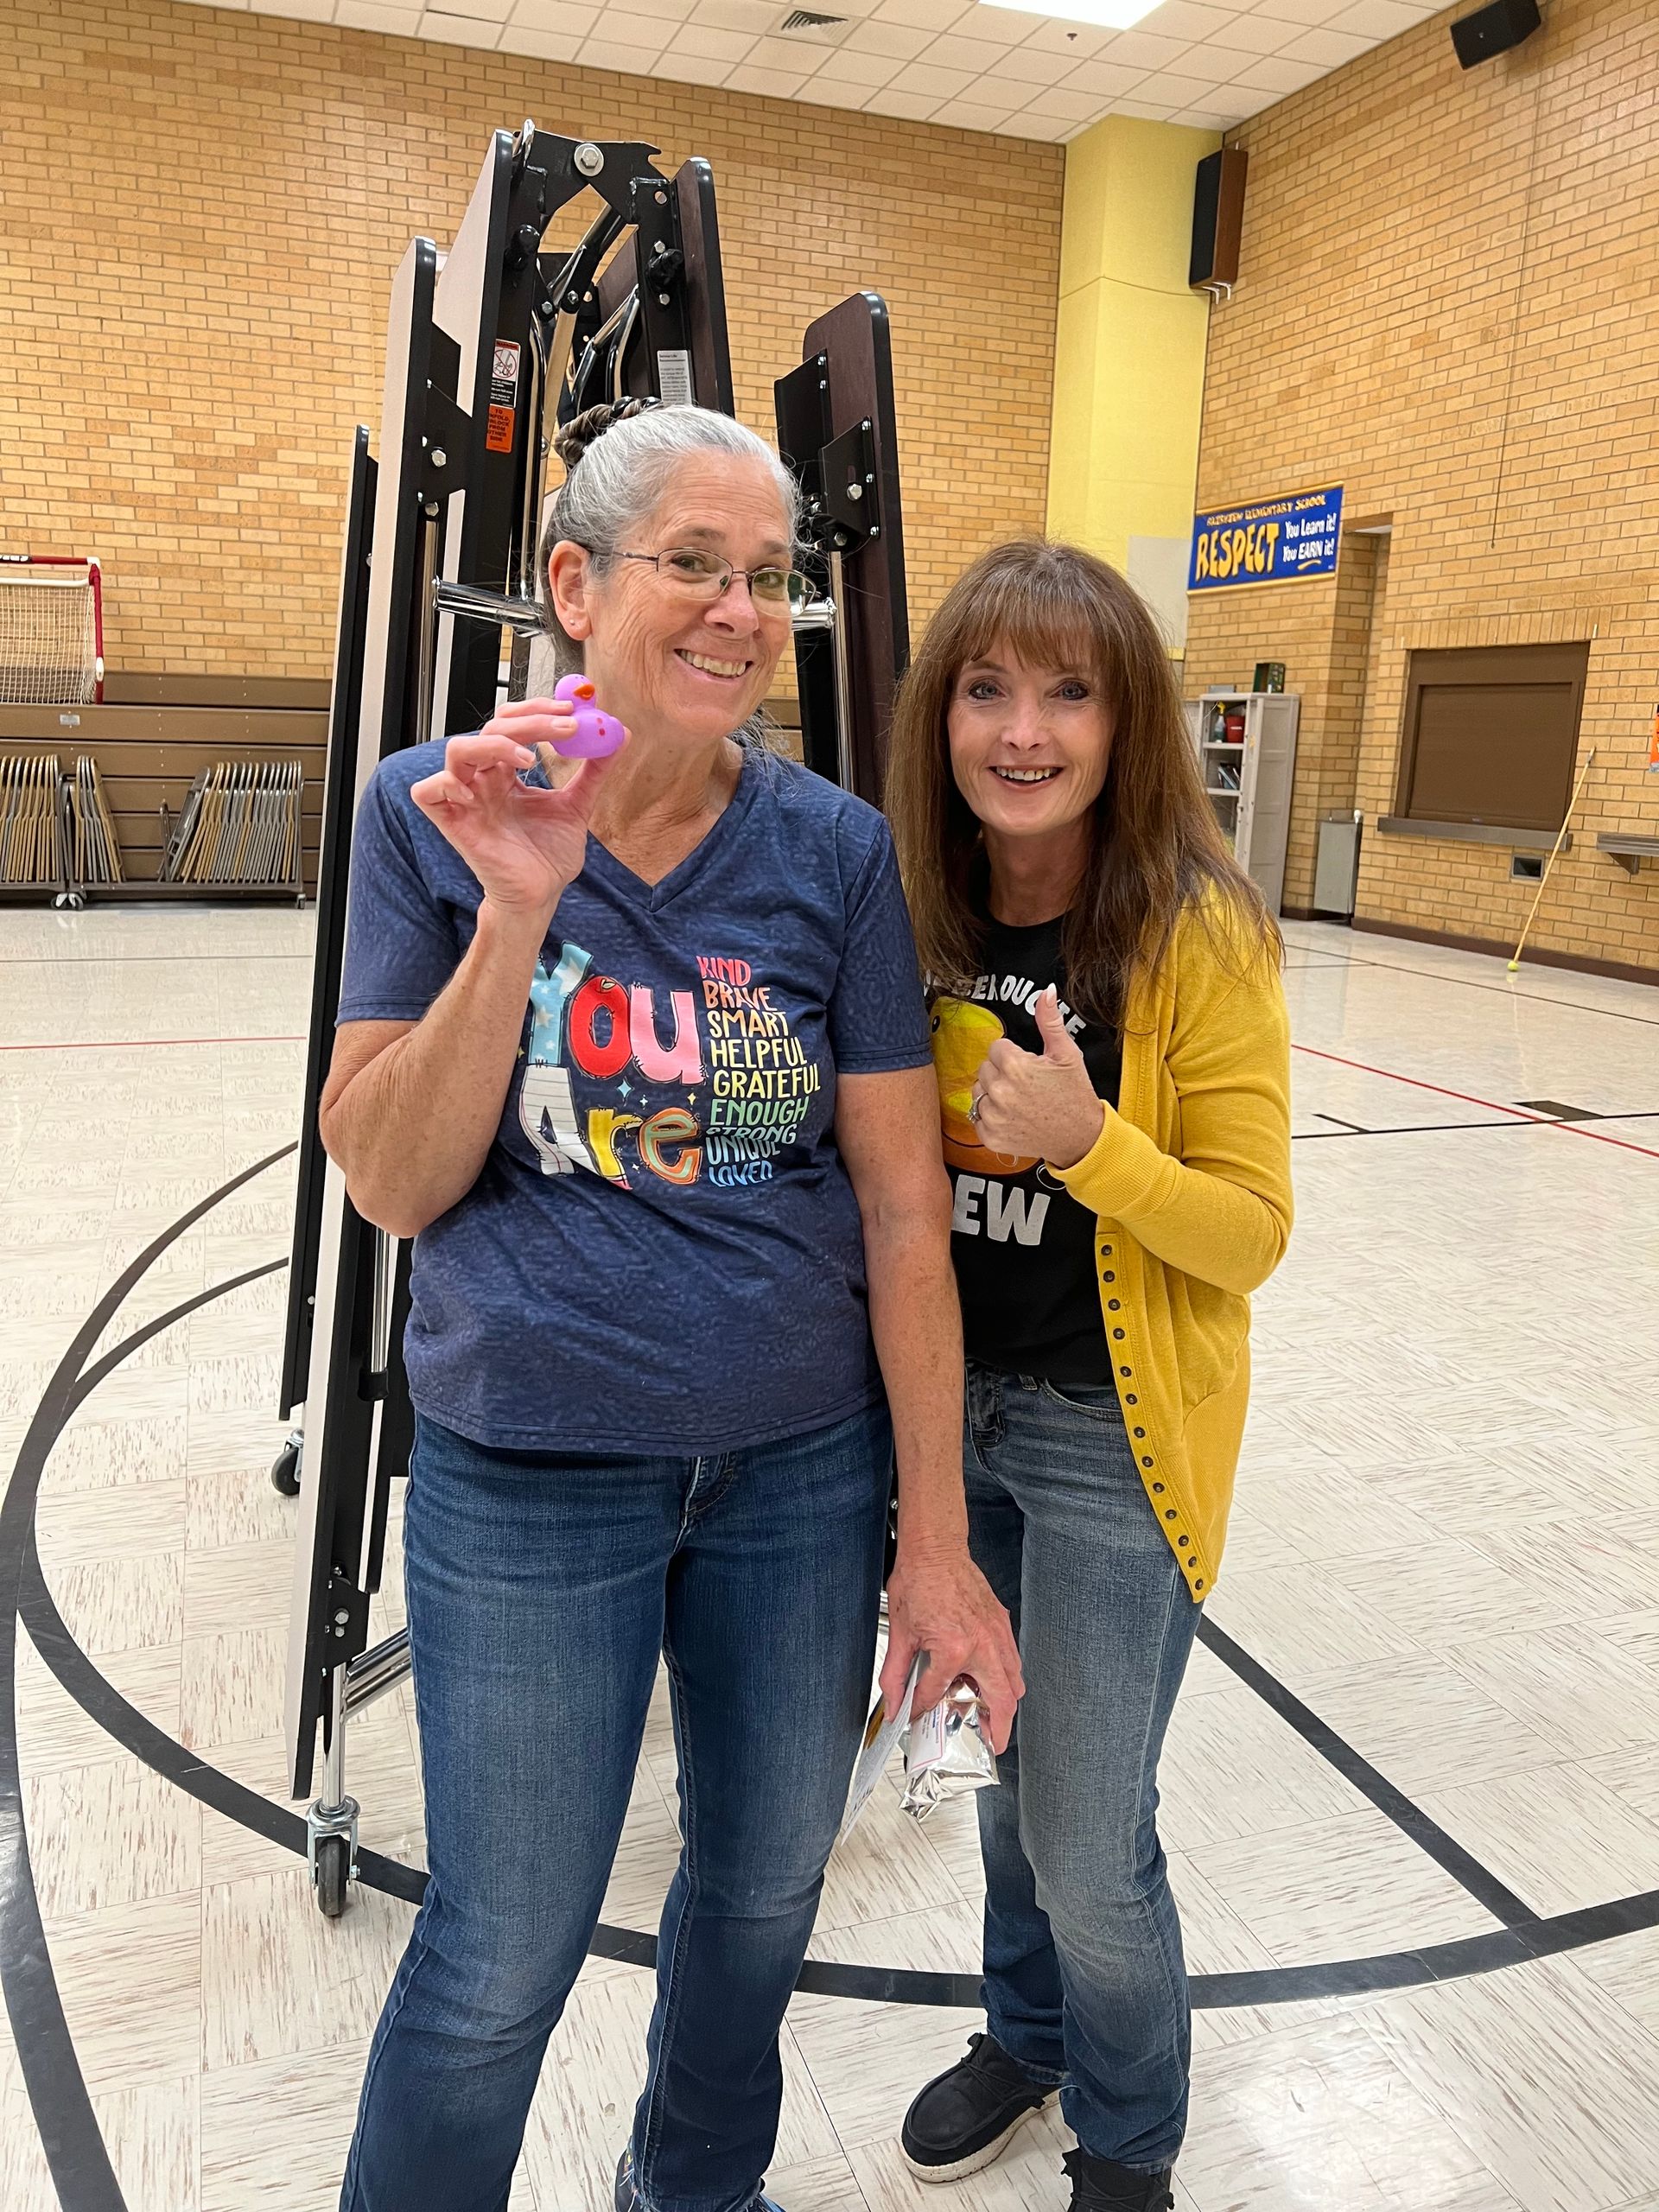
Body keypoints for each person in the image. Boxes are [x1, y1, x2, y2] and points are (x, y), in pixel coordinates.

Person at [320, 398, 1023, 2212]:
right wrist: (517, 907)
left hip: (795, 1474)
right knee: (500, 1950)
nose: (735, 610)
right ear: (573, 584)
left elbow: (896, 1203)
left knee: (762, 1887)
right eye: (691, 564)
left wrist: (931, 1539)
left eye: (766, 577)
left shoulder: (835, 852)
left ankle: (692, 2186)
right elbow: (390, 1177)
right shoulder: (433, 813)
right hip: (532, 1473)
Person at [884, 540, 1294, 2212]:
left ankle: (1130, 2138)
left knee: (1087, 1841)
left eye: (1070, 690)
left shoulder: (1196, 935)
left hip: (1109, 1445)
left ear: (1130, 725)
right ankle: (1027, 2032)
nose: (1025, 728)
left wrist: (1092, 1145)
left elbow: (1251, 1233)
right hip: (947, 1427)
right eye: (989, 687)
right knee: (999, 1791)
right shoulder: (908, 908)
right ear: (943, 717)